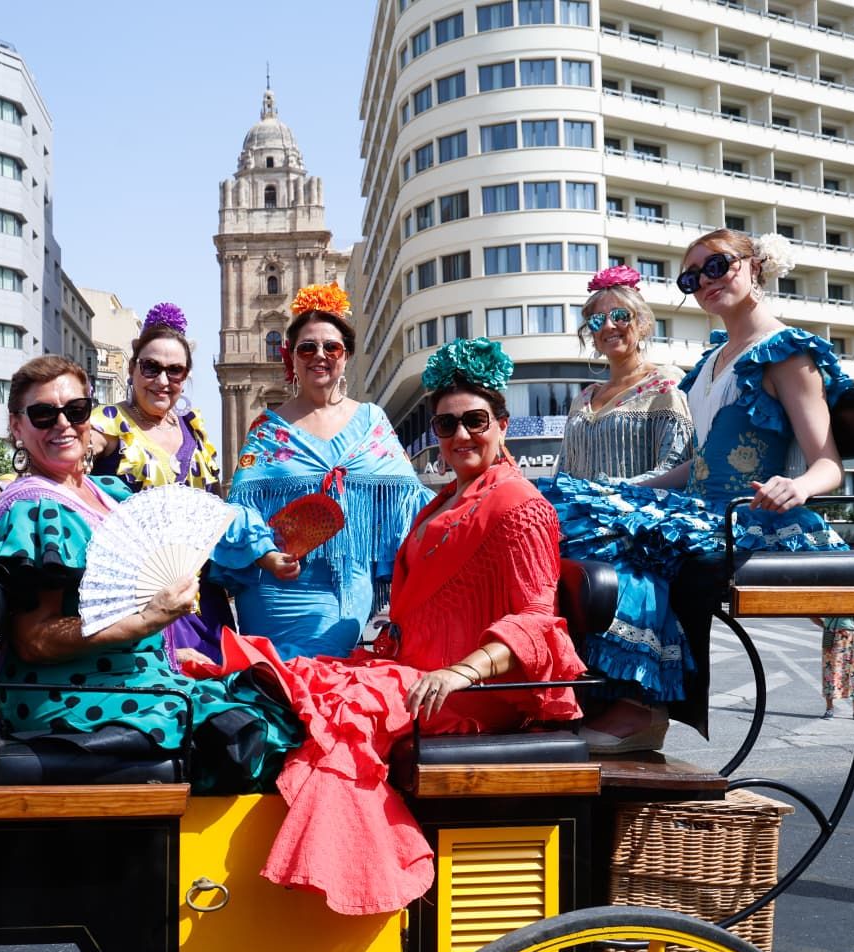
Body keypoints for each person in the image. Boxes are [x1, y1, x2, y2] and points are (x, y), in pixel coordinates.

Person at [205, 337, 586, 915]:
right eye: (446, 425)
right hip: (420, 672)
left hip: (470, 692)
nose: (460, 436)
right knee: (312, 681)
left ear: (502, 423)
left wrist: (463, 671)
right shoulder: (442, 501)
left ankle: (361, 878)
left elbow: (539, 622)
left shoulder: (518, 504)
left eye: (475, 421)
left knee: (343, 710)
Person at [550, 228, 851, 751]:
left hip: (750, 514)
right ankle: (588, 681)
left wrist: (796, 486)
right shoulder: (712, 363)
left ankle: (643, 702)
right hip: (701, 507)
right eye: (692, 277)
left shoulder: (785, 352)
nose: (705, 282)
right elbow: (695, 466)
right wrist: (625, 489)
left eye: (717, 265)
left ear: (754, 265)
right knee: (563, 508)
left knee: (612, 536)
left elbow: (828, 463)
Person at [0, 355, 300, 792]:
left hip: (124, 677)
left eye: (76, 410)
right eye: (42, 414)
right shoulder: (35, 510)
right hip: (68, 694)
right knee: (249, 731)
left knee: (279, 696)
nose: (63, 425)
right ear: (17, 427)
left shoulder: (104, 493)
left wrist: (164, 651)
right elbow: (34, 640)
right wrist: (146, 621)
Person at [211, 284, 431, 658]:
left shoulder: (372, 420)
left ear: (345, 357)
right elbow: (240, 507)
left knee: (326, 671)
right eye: (307, 347)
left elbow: (410, 502)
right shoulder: (267, 428)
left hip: (348, 583)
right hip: (275, 585)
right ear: (291, 358)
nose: (320, 355)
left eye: (332, 347)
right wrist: (266, 555)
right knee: (280, 684)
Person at [87, 302, 233, 660]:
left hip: (201, 600)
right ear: (134, 367)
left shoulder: (193, 432)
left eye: (175, 371)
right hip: (135, 601)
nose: (163, 381)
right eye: (151, 367)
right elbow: (61, 456)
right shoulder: (107, 422)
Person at [553, 265, 692, 483]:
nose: (609, 326)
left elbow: (676, 466)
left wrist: (609, 494)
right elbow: (563, 472)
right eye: (598, 320)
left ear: (642, 324)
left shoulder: (665, 382)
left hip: (640, 515)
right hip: (578, 515)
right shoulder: (583, 398)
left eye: (620, 316)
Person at [813, 617, 854, 719]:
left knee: (851, 671)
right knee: (852, 671)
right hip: (845, 634)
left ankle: (831, 709)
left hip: (840, 634)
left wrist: (825, 625)